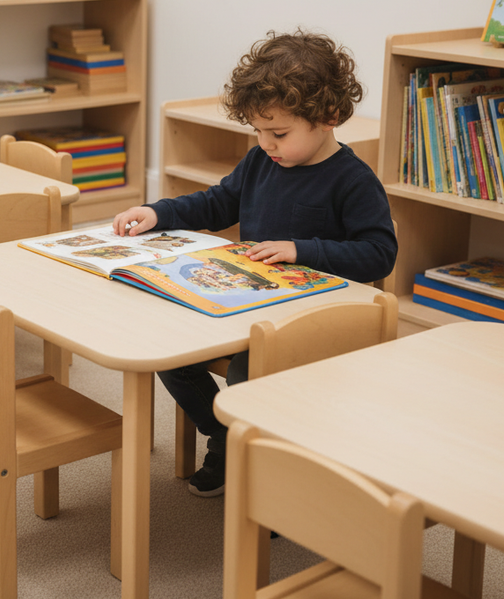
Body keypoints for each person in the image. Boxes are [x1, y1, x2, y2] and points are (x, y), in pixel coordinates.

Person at [112, 28, 397, 497]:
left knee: (250, 375)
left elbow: (379, 253)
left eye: (279, 133)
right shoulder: (262, 162)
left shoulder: (353, 180)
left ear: (327, 117)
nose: (266, 143)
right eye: (259, 131)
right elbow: (218, 203)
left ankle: (266, 481)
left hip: (315, 317)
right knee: (167, 352)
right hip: (250, 305)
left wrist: (301, 249)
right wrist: (159, 213)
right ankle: (228, 437)